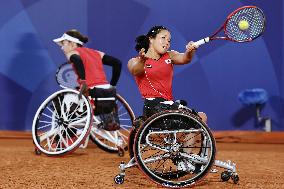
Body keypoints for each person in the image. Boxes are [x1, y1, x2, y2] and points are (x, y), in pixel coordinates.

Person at [128, 25, 207, 172]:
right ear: (151, 39)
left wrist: (190, 51)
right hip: (154, 108)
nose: (167, 42)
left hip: (168, 107)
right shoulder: (135, 61)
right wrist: (142, 59)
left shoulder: (169, 56)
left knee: (201, 117)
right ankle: (183, 160)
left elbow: (185, 58)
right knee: (198, 118)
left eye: (169, 40)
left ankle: (183, 157)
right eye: (163, 38)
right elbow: (135, 70)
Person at [53, 29, 122, 131]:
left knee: (58, 100)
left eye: (64, 43)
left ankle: (67, 135)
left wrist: (83, 80)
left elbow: (77, 60)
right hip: (107, 91)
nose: (62, 48)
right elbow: (117, 63)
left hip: (91, 92)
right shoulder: (96, 53)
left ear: (72, 44)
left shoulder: (72, 53)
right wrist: (113, 86)